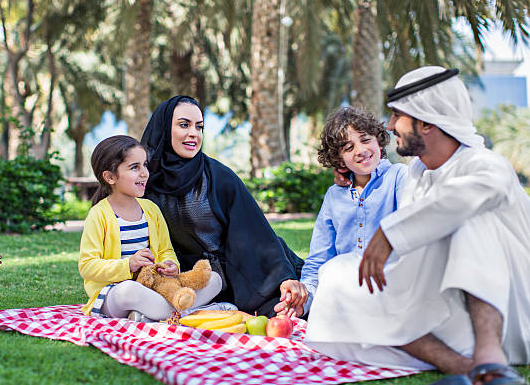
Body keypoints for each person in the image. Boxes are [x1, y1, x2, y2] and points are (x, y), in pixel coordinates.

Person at [304, 66, 530, 385]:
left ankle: (489, 359)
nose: (391, 124)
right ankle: (464, 368)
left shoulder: (484, 164)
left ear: (425, 121)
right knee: (337, 272)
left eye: (398, 115)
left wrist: (391, 232)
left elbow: (465, 197)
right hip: (439, 304)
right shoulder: (415, 174)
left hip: (503, 316)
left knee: (470, 217)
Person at [140, 95, 304, 317]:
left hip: (240, 274)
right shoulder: (144, 177)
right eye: (183, 125)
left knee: (287, 309)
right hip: (180, 277)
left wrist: (284, 278)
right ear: (163, 128)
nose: (193, 134)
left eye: (199, 127)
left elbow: (255, 232)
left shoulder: (217, 177)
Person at [275, 106, 407, 318]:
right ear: (338, 159)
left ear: (378, 140)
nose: (360, 150)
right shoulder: (334, 196)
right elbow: (319, 259)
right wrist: (306, 301)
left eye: (365, 140)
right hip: (347, 298)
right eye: (348, 147)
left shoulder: (399, 177)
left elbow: (410, 226)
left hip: (392, 293)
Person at [78, 135, 222, 321]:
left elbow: (165, 250)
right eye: (134, 167)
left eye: (144, 165)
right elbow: (87, 266)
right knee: (128, 290)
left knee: (214, 280)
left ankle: (154, 315)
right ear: (110, 177)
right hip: (115, 294)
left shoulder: (151, 210)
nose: (144, 173)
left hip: (155, 286)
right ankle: (187, 311)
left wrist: (171, 265)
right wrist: (128, 265)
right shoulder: (99, 215)